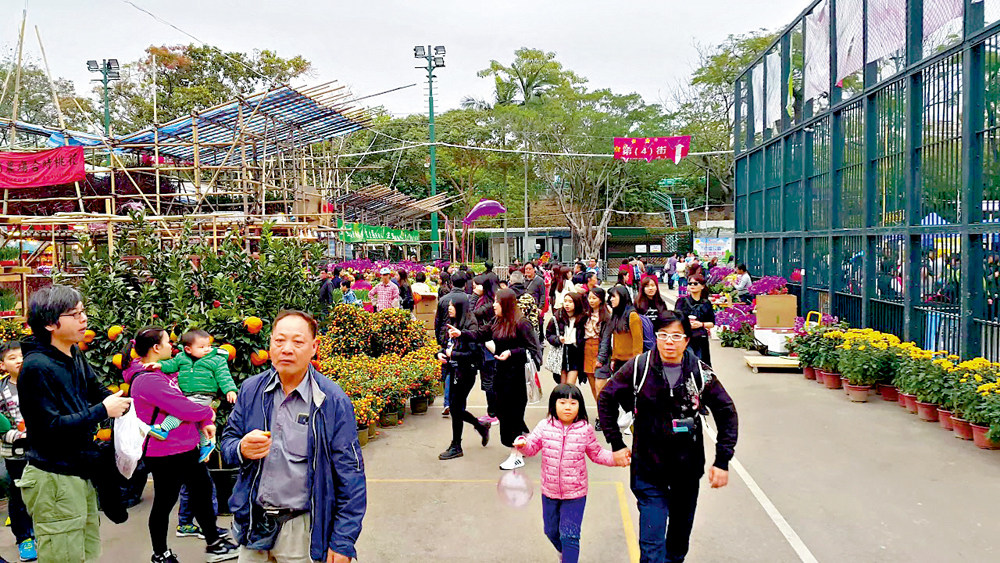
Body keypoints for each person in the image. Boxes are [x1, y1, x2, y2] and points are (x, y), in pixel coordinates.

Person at [222, 310, 367, 563]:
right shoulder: (251, 390)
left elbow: (350, 475)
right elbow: (227, 443)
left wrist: (343, 541)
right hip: (254, 525)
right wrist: (241, 448)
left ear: (314, 347)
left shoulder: (331, 401)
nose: (287, 349)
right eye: (279, 341)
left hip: (302, 530)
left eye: (298, 342)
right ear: (270, 344)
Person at [598, 311, 738, 563]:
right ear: (656, 337)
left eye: (676, 336)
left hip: (686, 473)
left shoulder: (699, 373)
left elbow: (726, 412)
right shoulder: (639, 367)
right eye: (663, 335)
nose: (669, 342)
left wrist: (722, 460)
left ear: (687, 340)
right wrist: (616, 443)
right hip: (648, 472)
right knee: (652, 549)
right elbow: (607, 397)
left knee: (677, 547)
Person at [17, 285, 132, 563]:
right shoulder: (36, 367)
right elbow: (48, 428)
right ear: (50, 323)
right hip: (54, 477)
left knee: (86, 553)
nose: (84, 319)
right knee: (63, 556)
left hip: (79, 471)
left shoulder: (72, 353)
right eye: (75, 314)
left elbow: (96, 390)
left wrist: (133, 403)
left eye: (83, 311)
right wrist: (102, 411)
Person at [126, 327, 239, 563]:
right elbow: (183, 407)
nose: (172, 346)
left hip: (184, 445)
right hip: (166, 451)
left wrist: (205, 421)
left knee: (201, 491)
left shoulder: (162, 373)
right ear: (156, 348)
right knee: (165, 501)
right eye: (168, 342)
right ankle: (161, 553)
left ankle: (214, 542)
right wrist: (207, 413)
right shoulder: (147, 380)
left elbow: (189, 399)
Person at [513, 384, 621, 563]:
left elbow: (597, 453)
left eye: (573, 403)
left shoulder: (585, 429)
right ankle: (565, 553)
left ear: (580, 406)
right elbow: (531, 448)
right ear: (553, 405)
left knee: (570, 536)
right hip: (550, 492)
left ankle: (569, 557)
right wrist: (523, 444)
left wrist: (616, 458)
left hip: (575, 494)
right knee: (550, 531)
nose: (568, 407)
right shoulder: (544, 426)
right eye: (562, 402)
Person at [449, 288, 541, 470]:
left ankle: (517, 455)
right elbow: (480, 334)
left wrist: (511, 353)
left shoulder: (522, 324)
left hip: (516, 377)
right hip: (500, 374)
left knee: (513, 415)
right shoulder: (497, 321)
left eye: (497, 302)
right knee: (502, 412)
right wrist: (461, 334)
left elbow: (533, 350)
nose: (494, 305)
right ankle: (525, 441)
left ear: (506, 304)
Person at [145, 329, 238, 463]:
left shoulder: (216, 360)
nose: (207, 349)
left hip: (203, 395)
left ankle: (164, 428)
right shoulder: (181, 358)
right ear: (188, 349)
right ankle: (206, 444)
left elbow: (224, 376)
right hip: (187, 394)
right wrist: (159, 365)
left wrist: (230, 390)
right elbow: (171, 365)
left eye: (209, 346)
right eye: (202, 347)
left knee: (181, 411)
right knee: (197, 420)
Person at [437, 294, 492, 460]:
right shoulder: (453, 323)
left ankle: (457, 445)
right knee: (456, 408)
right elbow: (446, 346)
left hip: (465, 373)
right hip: (453, 370)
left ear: (460, 307)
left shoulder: (470, 326)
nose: (449, 308)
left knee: (455, 408)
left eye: (452, 305)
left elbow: (474, 355)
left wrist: (453, 354)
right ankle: (480, 426)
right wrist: (439, 354)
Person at [0, 341, 37, 562]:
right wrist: (19, 436)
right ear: (2, 365)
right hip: (16, 454)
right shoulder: (2, 391)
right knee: (19, 496)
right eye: (12, 358)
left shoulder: (38, 382)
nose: (19, 361)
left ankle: (42, 531)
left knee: (43, 492)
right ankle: (24, 538)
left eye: (22, 356)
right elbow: (1, 427)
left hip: (41, 449)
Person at [596, 285, 643, 404]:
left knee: (628, 395)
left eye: (614, 297)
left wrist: (636, 362)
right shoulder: (616, 315)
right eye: (610, 297)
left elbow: (638, 342)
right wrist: (613, 359)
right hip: (618, 362)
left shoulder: (632, 315)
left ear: (622, 297)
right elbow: (616, 340)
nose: (611, 299)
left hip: (630, 362)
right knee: (620, 394)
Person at [472, 280, 500, 424]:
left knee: (489, 382)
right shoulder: (490, 302)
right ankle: (494, 412)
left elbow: (471, 313)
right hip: (487, 346)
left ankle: (493, 413)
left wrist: (474, 296)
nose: (475, 287)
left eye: (478, 285)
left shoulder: (488, 304)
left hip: (489, 347)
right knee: (489, 381)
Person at [674, 274, 716, 367]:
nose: (692, 285)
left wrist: (701, 324)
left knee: (701, 365)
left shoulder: (706, 303)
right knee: (686, 364)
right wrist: (686, 323)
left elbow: (712, 323)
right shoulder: (681, 301)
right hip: (686, 338)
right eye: (690, 283)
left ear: (702, 286)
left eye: (695, 283)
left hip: (700, 339)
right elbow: (676, 319)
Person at [544, 292, 586, 386]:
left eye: (570, 302)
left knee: (570, 385)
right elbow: (549, 334)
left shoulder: (582, 318)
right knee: (562, 385)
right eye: (565, 301)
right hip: (561, 351)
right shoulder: (557, 317)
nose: (567, 304)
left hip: (575, 352)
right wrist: (557, 339)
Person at [582, 288, 611, 408]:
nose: (591, 300)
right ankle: (599, 409)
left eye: (594, 298)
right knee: (592, 384)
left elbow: (606, 339)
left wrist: (602, 357)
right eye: (589, 298)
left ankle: (604, 411)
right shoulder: (585, 314)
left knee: (600, 385)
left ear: (601, 299)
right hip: (587, 348)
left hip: (599, 349)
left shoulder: (606, 316)